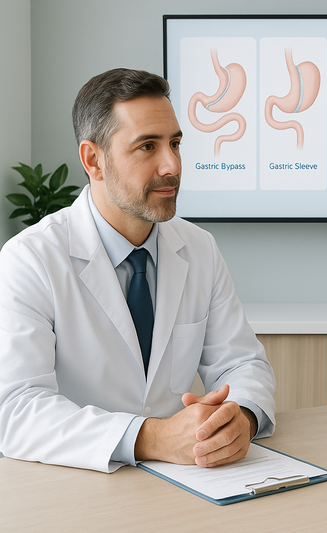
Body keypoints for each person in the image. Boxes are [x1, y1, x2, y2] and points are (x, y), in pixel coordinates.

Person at [0, 69, 276, 473]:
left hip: (182, 478)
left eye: (175, 143)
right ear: (93, 160)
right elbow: (16, 410)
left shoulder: (198, 248)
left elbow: (242, 364)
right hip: (73, 484)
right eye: (147, 146)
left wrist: (241, 418)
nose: (171, 165)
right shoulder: (31, 258)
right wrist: (151, 437)